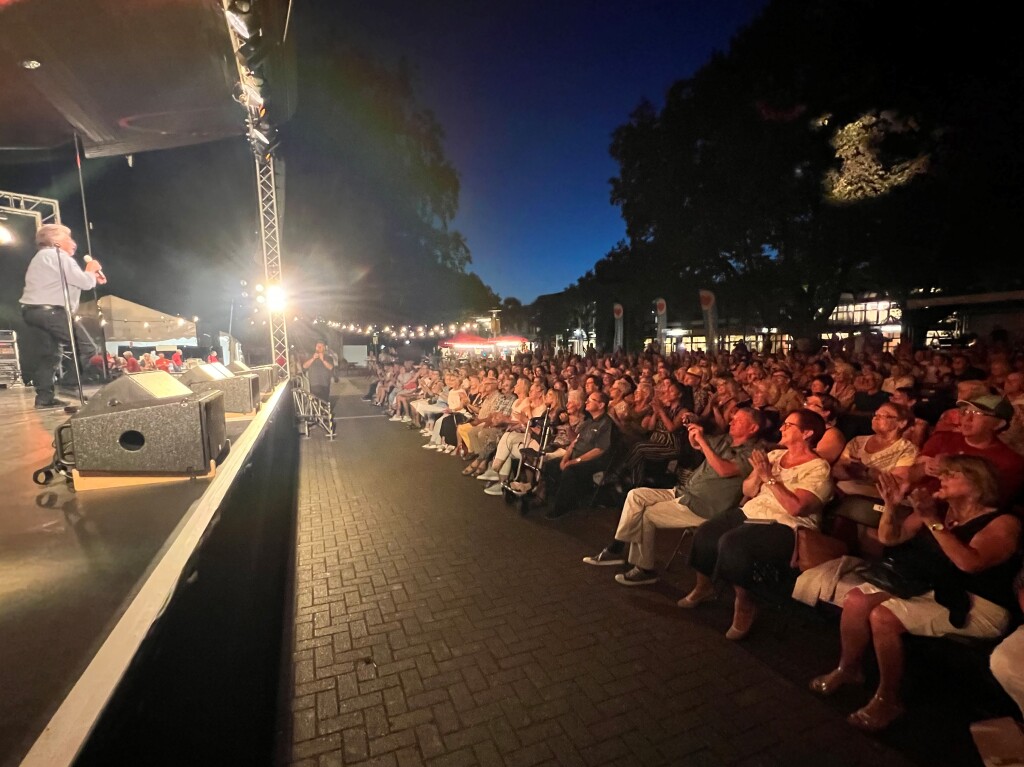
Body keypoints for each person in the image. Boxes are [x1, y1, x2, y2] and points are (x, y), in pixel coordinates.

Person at [810, 458, 1022, 732]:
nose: (942, 479)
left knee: (883, 617)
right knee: (856, 600)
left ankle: (889, 699)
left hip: (980, 605)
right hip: (935, 589)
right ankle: (849, 669)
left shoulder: (1002, 521)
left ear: (978, 484)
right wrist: (891, 506)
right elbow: (890, 538)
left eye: (952, 474)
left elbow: (970, 563)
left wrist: (933, 521)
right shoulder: (939, 511)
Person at [681, 409, 833, 640]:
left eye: (789, 425)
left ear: (807, 433)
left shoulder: (817, 467)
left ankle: (745, 602)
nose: (781, 428)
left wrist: (769, 478)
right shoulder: (773, 457)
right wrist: (759, 474)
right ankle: (704, 587)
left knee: (733, 544)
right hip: (753, 511)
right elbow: (748, 490)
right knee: (706, 533)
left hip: (786, 524)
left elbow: (796, 508)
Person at [583, 408, 765, 586]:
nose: (731, 422)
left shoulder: (753, 453)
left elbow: (724, 469)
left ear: (753, 428)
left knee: (646, 515)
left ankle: (642, 568)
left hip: (703, 506)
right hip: (685, 492)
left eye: (738, 420)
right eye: (732, 418)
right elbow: (697, 445)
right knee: (635, 495)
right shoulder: (725, 440)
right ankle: (618, 546)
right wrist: (694, 431)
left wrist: (701, 440)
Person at [19, 223, 105, 408]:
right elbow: (83, 282)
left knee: (50, 356)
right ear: (56, 240)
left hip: (33, 311)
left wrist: (90, 277)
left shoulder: (42, 258)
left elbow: (68, 284)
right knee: (87, 347)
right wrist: (90, 269)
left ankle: (44, 398)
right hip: (51, 311)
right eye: (69, 238)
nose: (73, 243)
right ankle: (69, 384)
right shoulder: (57, 255)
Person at [538, 391, 613, 519]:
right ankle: (552, 498)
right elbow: (574, 443)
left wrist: (574, 461)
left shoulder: (606, 423)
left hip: (592, 460)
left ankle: (561, 507)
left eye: (591, 400)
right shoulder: (588, 422)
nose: (586, 402)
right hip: (575, 456)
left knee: (569, 471)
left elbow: (599, 450)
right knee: (550, 465)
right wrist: (565, 459)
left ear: (601, 405)